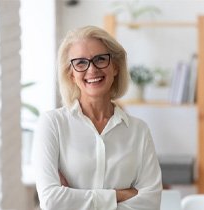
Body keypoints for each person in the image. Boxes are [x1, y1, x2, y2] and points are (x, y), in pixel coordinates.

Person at [32, 25, 162, 210]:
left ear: (115, 67)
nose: (92, 70)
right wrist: (119, 195)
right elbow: (51, 201)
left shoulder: (138, 131)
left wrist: (75, 200)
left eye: (100, 59)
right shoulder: (52, 124)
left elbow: (150, 203)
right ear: (71, 74)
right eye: (81, 63)